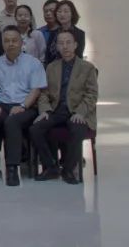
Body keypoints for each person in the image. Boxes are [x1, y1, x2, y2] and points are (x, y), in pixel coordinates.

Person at [0, 26, 47, 186]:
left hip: (27, 107)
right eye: (7, 41)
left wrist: (23, 106)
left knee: (12, 121)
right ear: (2, 43)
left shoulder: (33, 63)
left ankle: (12, 168)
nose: (10, 44)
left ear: (21, 42)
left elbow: (36, 90)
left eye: (14, 40)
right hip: (3, 105)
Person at [32, 30, 98, 184]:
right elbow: (44, 93)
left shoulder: (87, 68)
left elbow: (91, 94)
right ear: (57, 47)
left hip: (77, 111)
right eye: (61, 43)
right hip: (56, 110)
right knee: (35, 129)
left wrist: (80, 112)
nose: (65, 46)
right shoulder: (51, 67)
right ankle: (51, 167)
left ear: (75, 45)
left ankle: (68, 169)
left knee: (78, 129)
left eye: (68, 42)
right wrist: (45, 110)